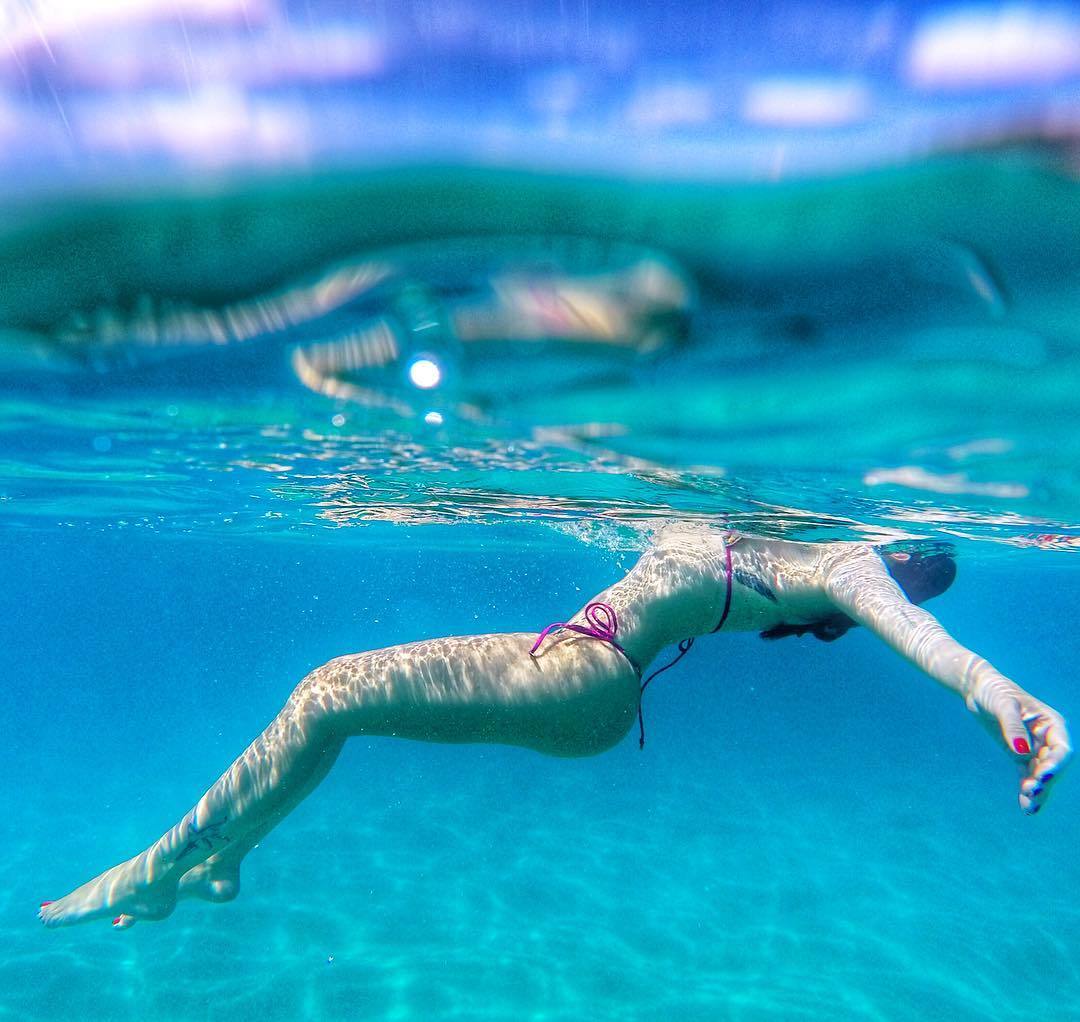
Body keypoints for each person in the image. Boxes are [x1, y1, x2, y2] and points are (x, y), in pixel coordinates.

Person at [38, 527, 1071, 930]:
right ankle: (218, 861)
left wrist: (999, 695)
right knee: (332, 704)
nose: (901, 557)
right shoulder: (787, 530)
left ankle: (157, 866)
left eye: (915, 558)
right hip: (581, 676)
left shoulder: (851, 567)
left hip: (583, 678)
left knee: (326, 692)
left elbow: (921, 637)